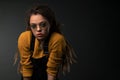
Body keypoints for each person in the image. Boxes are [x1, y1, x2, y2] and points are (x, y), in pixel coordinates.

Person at [15, 4, 77, 80]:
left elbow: (52, 71)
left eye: (43, 25)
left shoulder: (57, 39)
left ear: (50, 23)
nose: (38, 29)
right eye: (33, 26)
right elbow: (26, 68)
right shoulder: (24, 38)